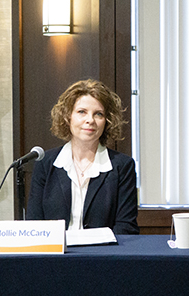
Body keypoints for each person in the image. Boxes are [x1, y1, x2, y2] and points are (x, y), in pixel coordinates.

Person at [27, 79, 138, 234]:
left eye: (98, 114)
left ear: (107, 121)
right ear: (68, 116)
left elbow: (126, 227)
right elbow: (35, 224)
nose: (90, 120)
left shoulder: (122, 166)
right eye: (81, 112)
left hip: (104, 255)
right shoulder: (46, 163)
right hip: (56, 256)